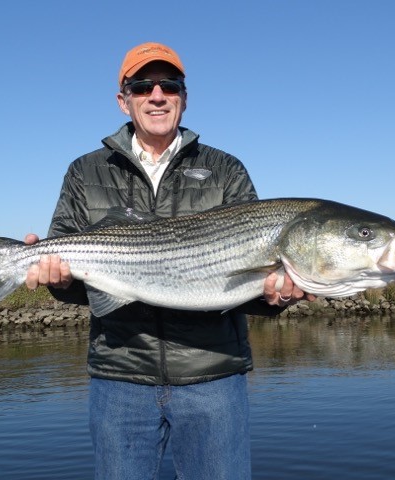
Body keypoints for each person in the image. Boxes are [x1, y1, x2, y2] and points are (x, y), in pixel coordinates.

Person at [24, 42, 314, 480]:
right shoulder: (85, 171)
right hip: (119, 378)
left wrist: (277, 296)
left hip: (213, 377)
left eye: (169, 85)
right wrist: (57, 280)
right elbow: (73, 278)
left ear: (184, 97)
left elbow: (245, 289)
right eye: (143, 86)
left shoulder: (225, 169)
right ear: (124, 100)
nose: (156, 94)